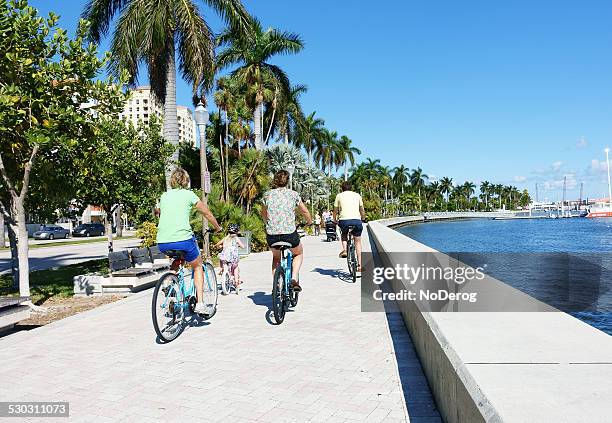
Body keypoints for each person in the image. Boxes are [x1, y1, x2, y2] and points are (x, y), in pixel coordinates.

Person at [156, 168, 222, 314]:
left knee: (178, 259)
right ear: (186, 181)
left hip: (162, 241)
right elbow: (207, 213)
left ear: (172, 180)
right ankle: (200, 303)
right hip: (183, 239)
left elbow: (162, 213)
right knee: (197, 266)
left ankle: (169, 282)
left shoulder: (164, 196)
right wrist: (217, 227)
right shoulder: (189, 195)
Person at [262, 170, 312, 292]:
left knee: (276, 258)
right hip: (289, 234)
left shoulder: (267, 195)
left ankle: (277, 285)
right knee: (298, 253)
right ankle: (294, 279)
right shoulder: (293, 195)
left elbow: (264, 213)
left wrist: (267, 224)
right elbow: (304, 211)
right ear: (287, 181)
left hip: (272, 235)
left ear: (275, 180)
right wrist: (310, 222)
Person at [333, 181, 366, 271]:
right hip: (356, 221)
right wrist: (363, 218)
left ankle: (344, 250)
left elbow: (335, 210)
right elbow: (362, 209)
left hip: (344, 221)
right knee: (358, 242)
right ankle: (360, 265)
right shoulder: (357, 195)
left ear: (342, 188)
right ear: (351, 188)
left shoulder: (339, 196)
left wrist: (334, 219)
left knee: (344, 234)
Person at [215, 223, 245, 292]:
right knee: (235, 268)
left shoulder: (225, 238)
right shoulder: (236, 238)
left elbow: (217, 244)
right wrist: (239, 246)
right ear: (236, 231)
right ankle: (237, 283)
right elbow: (243, 246)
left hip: (225, 258)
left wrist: (220, 246)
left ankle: (224, 273)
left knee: (225, 267)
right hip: (233, 258)